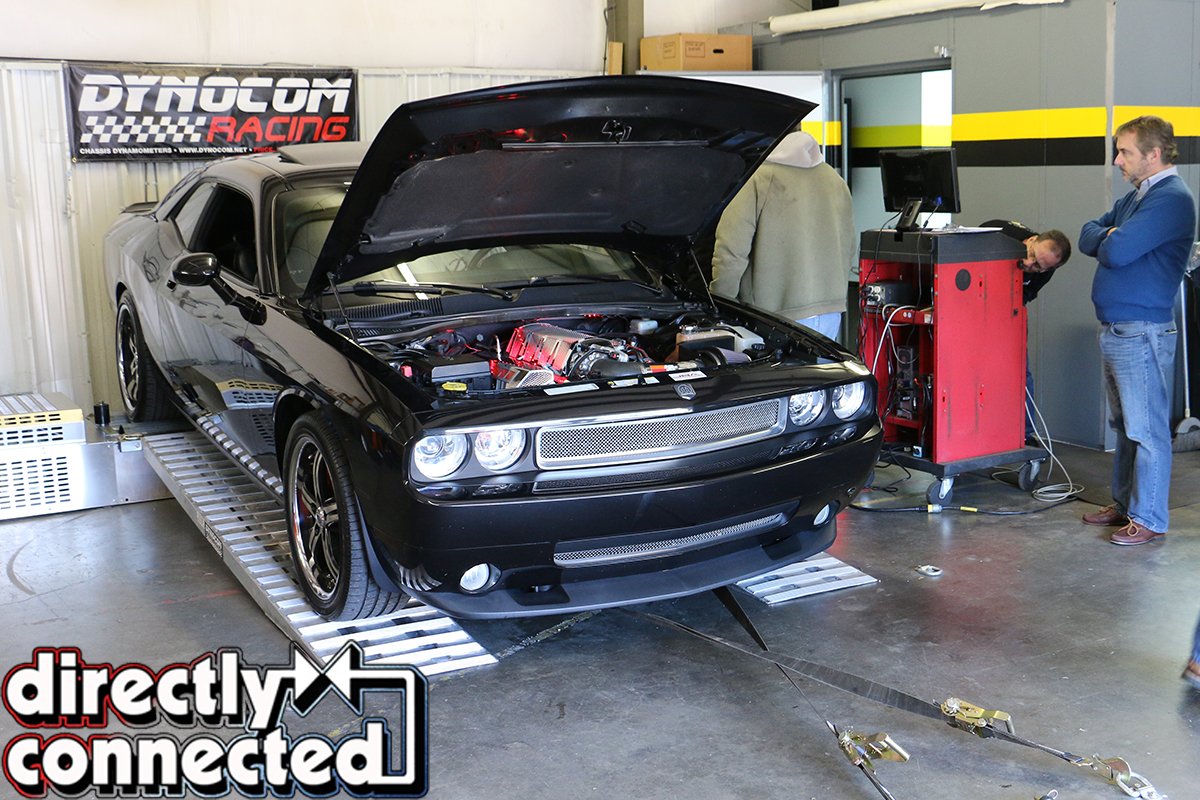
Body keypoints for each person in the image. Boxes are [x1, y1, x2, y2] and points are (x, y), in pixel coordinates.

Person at [1078, 115, 1197, 546]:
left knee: (1146, 430)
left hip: (1142, 330)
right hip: (1119, 329)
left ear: (1154, 153)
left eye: (1125, 151)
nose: (1117, 160)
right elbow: (1087, 235)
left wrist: (1112, 237)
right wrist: (1111, 234)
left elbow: (1116, 250)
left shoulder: (1171, 199)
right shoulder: (1137, 197)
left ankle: (1149, 518)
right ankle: (1126, 505)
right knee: (1126, 426)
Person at [710, 130, 855, 342]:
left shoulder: (757, 179)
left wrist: (719, 304)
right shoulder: (835, 180)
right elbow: (849, 247)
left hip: (774, 317)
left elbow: (731, 253)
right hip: (830, 313)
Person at [981, 219, 1072, 441]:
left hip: (1009, 311)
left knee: (1021, 370)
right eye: (1030, 254)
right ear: (1031, 240)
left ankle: (1026, 434)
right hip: (974, 306)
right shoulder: (1001, 232)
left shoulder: (1045, 272)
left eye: (1038, 266)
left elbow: (1027, 295)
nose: (1028, 263)